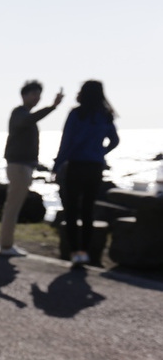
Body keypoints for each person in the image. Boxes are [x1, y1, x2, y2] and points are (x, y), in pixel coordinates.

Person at [52, 80, 119, 266]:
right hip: (95, 167)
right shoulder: (105, 115)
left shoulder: (76, 114)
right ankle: (85, 252)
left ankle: (74, 252)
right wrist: (100, 153)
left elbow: (66, 142)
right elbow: (115, 140)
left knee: (72, 210)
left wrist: (57, 166)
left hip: (76, 166)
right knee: (88, 210)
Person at [0, 81, 64, 256]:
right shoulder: (19, 113)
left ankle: (7, 244)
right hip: (19, 166)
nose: (37, 98)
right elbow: (27, 121)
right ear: (24, 95)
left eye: (39, 95)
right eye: (34, 94)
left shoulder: (24, 114)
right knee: (13, 207)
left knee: (13, 206)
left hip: (23, 166)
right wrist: (52, 107)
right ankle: (6, 246)